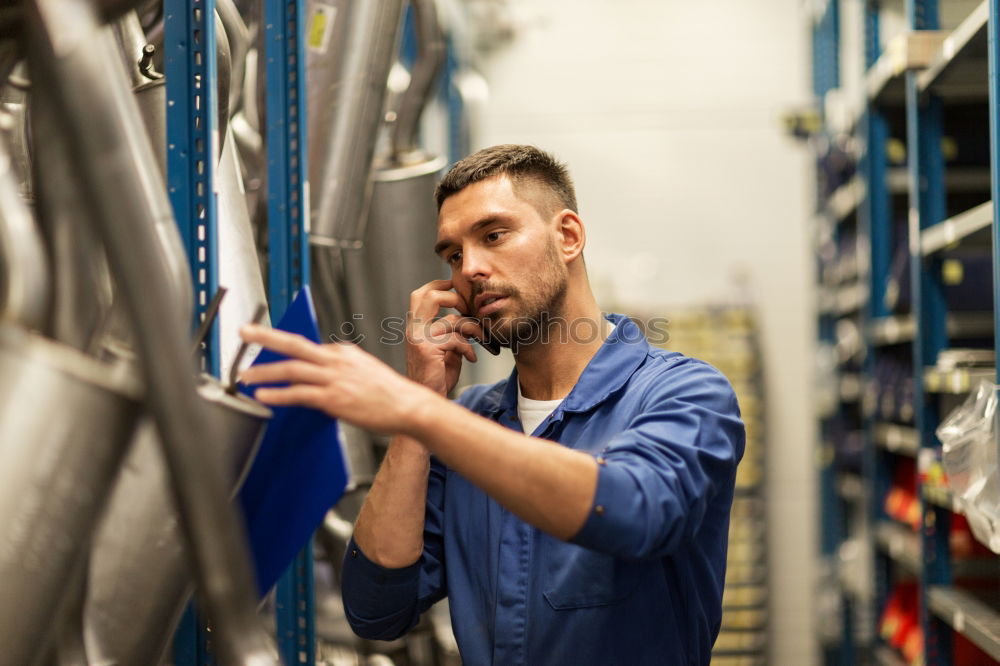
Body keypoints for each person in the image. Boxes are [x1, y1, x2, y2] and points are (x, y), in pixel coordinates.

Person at [239, 144, 745, 665]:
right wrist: (420, 405)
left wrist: (417, 413)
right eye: (453, 255)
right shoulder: (463, 420)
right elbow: (376, 609)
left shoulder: (685, 394)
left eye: (494, 236)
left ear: (567, 236)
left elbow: (635, 511)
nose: (471, 269)